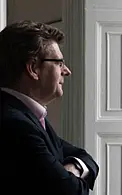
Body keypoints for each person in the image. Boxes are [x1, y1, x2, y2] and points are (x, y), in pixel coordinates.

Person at [0, 20, 99, 195]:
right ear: (33, 69)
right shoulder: (15, 124)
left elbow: (83, 155)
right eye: (59, 63)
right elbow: (70, 191)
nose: (66, 71)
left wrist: (74, 167)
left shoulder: (29, 116)